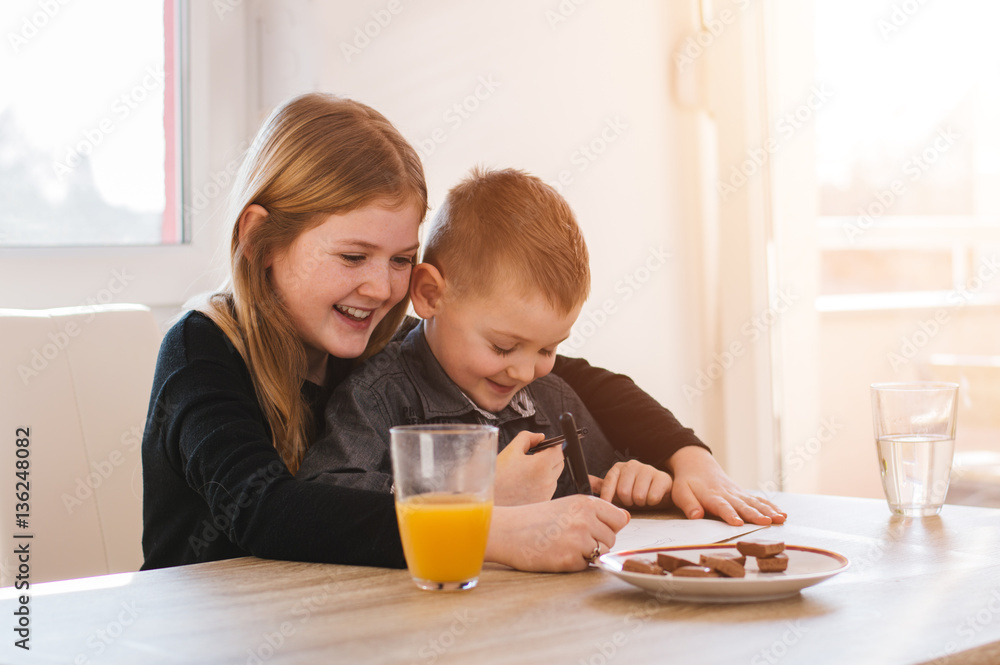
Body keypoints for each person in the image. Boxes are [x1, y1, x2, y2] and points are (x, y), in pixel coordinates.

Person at [140, 92, 780, 576]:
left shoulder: (366, 336)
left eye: (399, 260)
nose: (381, 287)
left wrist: (687, 456)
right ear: (260, 241)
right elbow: (266, 512)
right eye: (352, 256)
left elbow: (579, 380)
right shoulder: (204, 351)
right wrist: (481, 517)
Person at [298, 167, 680, 509]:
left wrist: (641, 482)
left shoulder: (554, 398)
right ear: (431, 295)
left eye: (548, 348)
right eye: (503, 346)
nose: (526, 372)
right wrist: (472, 492)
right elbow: (325, 496)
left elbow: (604, 484)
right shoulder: (380, 397)